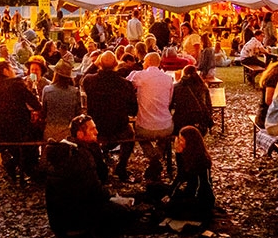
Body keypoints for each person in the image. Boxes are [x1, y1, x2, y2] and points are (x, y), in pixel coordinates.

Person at [41, 115, 133, 236]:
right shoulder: (80, 155)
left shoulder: (63, 150)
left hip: (59, 221)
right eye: (92, 129)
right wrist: (113, 199)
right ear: (80, 134)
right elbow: (95, 190)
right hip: (74, 219)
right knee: (123, 213)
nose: (97, 132)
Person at [0, 59, 42, 179]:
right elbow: (36, 105)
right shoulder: (16, 84)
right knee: (36, 133)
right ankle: (27, 167)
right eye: (11, 68)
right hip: (19, 130)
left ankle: (15, 163)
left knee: (19, 140)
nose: (14, 71)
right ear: (5, 70)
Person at [81, 51, 137, 182]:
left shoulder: (89, 81)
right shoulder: (125, 84)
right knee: (130, 134)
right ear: (116, 64)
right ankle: (121, 166)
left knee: (91, 137)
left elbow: (82, 78)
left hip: (97, 127)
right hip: (118, 127)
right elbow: (133, 110)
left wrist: (94, 64)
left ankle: (100, 166)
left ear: (99, 63)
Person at [126, 52, 174, 182]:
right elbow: (169, 101)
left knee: (139, 134)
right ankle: (158, 156)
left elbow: (126, 85)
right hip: (166, 125)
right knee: (164, 135)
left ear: (147, 62)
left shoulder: (141, 76)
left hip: (145, 126)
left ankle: (154, 159)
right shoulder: (168, 79)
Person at [160, 125, 215, 223]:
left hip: (199, 199)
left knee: (171, 207)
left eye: (181, 140)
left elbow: (198, 189)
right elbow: (180, 176)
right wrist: (170, 194)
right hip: (188, 191)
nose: (178, 143)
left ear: (190, 142)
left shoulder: (201, 161)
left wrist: (175, 199)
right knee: (155, 188)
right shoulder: (185, 154)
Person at [41, 60, 82, 142]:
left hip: (50, 134)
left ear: (56, 74)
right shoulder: (75, 92)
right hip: (69, 134)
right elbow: (78, 113)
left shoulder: (47, 90)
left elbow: (44, 112)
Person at [171, 66, 213, 135]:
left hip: (181, 123)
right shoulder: (202, 87)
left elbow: (171, 105)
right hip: (200, 123)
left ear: (183, 74)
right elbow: (209, 106)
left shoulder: (177, 87)